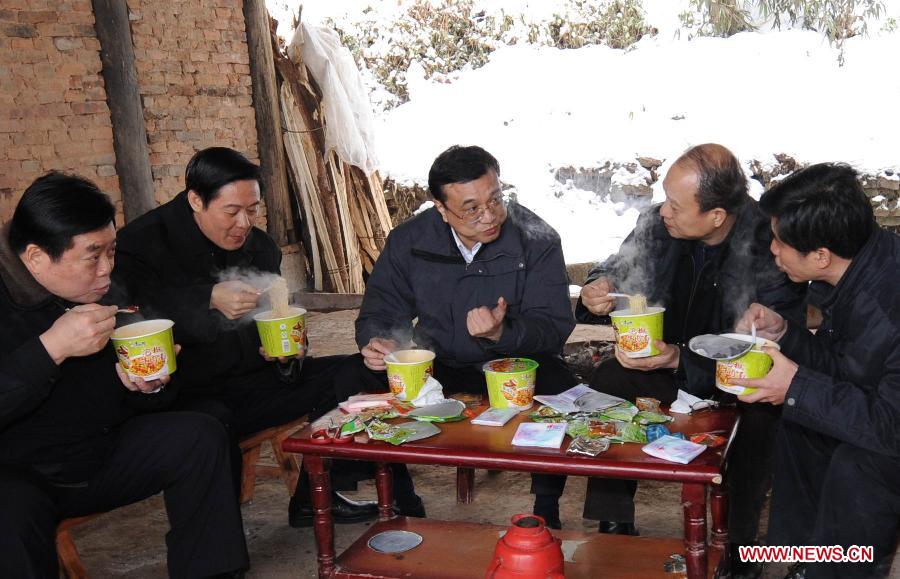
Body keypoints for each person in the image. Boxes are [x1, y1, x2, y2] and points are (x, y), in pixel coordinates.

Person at [0, 172, 248, 578]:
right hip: (21, 472)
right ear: (36, 257)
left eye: (111, 252)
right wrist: (51, 349)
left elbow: (136, 396)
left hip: (96, 455)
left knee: (200, 435)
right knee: (8, 513)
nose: (106, 270)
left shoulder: (108, 292)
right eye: (92, 256)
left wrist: (149, 387)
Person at [113, 147, 376, 528]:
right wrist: (204, 298)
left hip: (256, 382)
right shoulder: (142, 245)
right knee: (208, 425)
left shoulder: (259, 246)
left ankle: (312, 500)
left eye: (252, 210)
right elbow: (126, 315)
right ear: (195, 200)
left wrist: (288, 353)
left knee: (358, 375)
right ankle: (216, 543)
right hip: (188, 394)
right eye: (232, 212)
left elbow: (275, 317)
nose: (244, 223)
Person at [574, 144, 806, 572]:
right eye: (665, 199)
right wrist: (596, 288)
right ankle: (613, 522)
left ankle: (738, 546)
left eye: (677, 206)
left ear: (717, 215)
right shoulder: (657, 224)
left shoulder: (769, 244)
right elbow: (615, 268)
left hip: (733, 378)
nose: (665, 211)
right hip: (663, 366)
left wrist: (679, 359)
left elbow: (776, 349)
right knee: (608, 379)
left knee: (760, 418)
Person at [340, 144, 578, 522]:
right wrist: (379, 341)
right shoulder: (410, 241)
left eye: (495, 199)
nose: (489, 216)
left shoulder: (537, 239)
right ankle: (403, 498)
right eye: (470, 209)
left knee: (560, 387)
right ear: (440, 208)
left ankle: (545, 510)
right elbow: (382, 310)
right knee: (360, 376)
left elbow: (553, 327)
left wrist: (503, 332)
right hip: (440, 362)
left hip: (514, 365)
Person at [731, 163, 898, 579]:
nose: (773, 250)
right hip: (884, 412)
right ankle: (806, 563)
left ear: (821, 255)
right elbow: (846, 366)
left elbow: (890, 428)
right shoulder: (859, 267)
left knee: (857, 463)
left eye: (780, 242)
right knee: (800, 425)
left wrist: (795, 385)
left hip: (891, 434)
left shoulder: (889, 304)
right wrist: (786, 333)